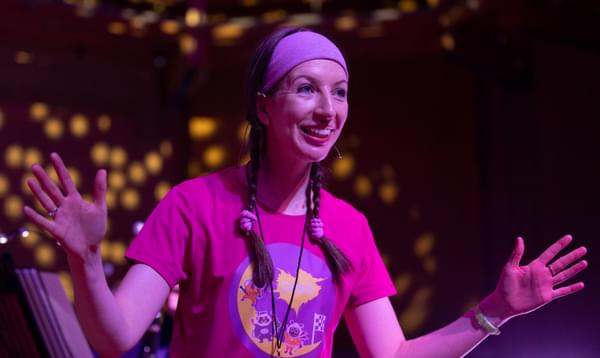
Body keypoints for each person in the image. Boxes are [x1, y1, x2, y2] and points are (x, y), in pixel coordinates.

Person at [23, 28, 588, 358]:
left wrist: (495, 311)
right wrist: (85, 258)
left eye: (339, 92)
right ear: (263, 107)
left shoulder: (348, 227)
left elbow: (391, 356)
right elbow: (114, 337)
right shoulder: (193, 205)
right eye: (306, 89)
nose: (327, 109)